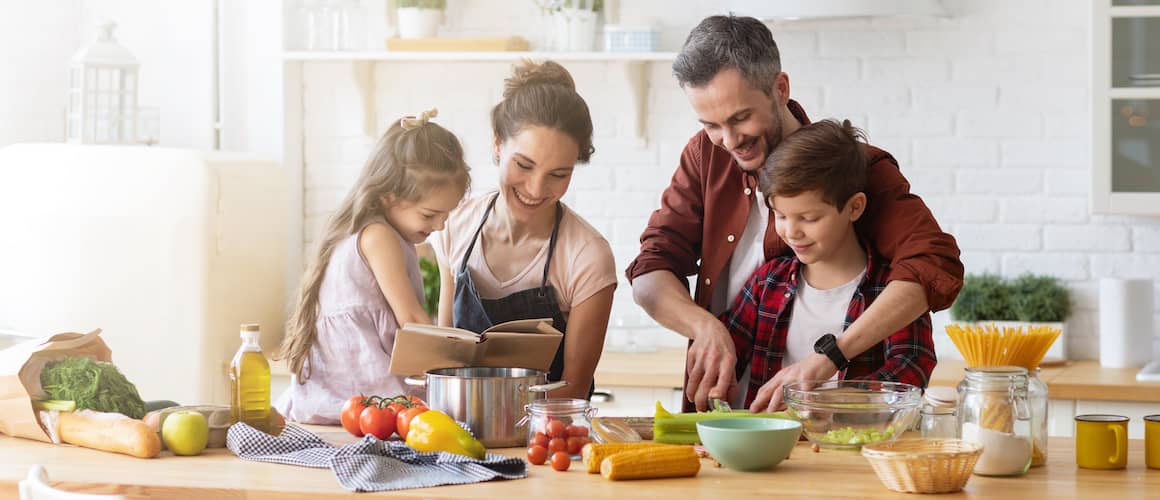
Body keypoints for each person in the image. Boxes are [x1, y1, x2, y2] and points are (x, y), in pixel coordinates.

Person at [626, 15, 962, 411]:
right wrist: (704, 327)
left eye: (740, 118)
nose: (729, 141)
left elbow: (933, 263)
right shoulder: (705, 154)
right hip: (734, 416)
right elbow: (650, 269)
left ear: (780, 88)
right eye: (711, 124)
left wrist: (831, 359)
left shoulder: (853, 168)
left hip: (835, 427)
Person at [721, 119, 936, 412]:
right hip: (770, 447)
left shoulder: (891, 290)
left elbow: (911, 369)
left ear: (854, 207)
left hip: (854, 448)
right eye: (780, 215)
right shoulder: (767, 282)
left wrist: (827, 402)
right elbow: (727, 357)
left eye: (809, 218)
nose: (791, 232)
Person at [434, 60, 617, 400]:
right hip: (457, 435)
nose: (535, 189)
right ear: (497, 144)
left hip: (547, 439)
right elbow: (444, 362)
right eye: (524, 165)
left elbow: (574, 390)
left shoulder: (587, 255)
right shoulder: (455, 226)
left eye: (558, 174)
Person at [275, 109, 471, 424]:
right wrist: (456, 365)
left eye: (446, 215)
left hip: (343, 398)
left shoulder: (379, 231)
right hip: (360, 395)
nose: (439, 225)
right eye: (429, 214)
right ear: (388, 197)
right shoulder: (379, 237)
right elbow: (411, 320)